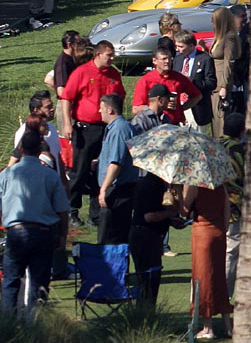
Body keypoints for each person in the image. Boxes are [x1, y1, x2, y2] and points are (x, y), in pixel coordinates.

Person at [0, 128, 70, 314]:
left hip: (16, 231)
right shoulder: (50, 175)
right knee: (39, 283)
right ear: (40, 149)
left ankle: (9, 324)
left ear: (20, 148)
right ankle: (36, 326)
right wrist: (62, 235)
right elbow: (63, 210)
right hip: (42, 232)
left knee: (11, 281)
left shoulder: (7, 174)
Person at [61, 39, 125, 228]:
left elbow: (120, 96)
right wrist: (67, 123)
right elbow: (67, 98)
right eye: (109, 55)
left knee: (101, 170)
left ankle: (96, 213)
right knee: (79, 170)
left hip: (107, 127)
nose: (112, 58)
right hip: (86, 128)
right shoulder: (82, 72)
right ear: (98, 54)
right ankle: (72, 210)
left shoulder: (113, 74)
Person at [182, 179, 232, 339]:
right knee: (219, 279)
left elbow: (183, 211)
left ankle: (208, 327)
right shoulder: (220, 183)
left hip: (203, 232)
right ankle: (228, 325)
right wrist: (222, 229)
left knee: (203, 278)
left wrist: (178, 195)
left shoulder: (193, 183)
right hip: (218, 232)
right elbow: (227, 211)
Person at [129, 163, 178, 307]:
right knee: (148, 278)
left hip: (150, 235)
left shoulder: (158, 185)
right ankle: (144, 312)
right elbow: (149, 216)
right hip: (144, 236)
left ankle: (147, 311)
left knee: (151, 279)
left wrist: (170, 220)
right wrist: (169, 214)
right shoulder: (151, 185)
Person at [96, 94, 138, 245]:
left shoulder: (119, 129)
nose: (99, 111)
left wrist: (104, 189)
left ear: (110, 110)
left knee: (110, 237)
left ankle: (112, 268)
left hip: (117, 190)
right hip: (119, 189)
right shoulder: (117, 128)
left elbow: (116, 162)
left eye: (101, 109)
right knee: (115, 235)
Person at [133, 47, 201, 126]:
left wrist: (181, 108)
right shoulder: (145, 80)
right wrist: (158, 106)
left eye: (170, 58)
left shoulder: (178, 77)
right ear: (155, 61)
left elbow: (197, 96)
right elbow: (136, 109)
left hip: (175, 124)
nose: (167, 61)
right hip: (155, 124)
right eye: (164, 59)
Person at [173, 30, 217, 129]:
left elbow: (211, 83)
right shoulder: (178, 59)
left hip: (197, 105)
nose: (177, 49)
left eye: (181, 46)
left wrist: (192, 81)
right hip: (180, 104)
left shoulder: (204, 59)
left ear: (192, 46)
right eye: (176, 46)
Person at [209, 7, 241, 136]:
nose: (212, 23)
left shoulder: (229, 37)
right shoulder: (219, 37)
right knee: (215, 119)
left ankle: (223, 145)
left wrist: (224, 85)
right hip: (214, 82)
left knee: (221, 116)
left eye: (213, 20)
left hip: (221, 82)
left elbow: (229, 63)